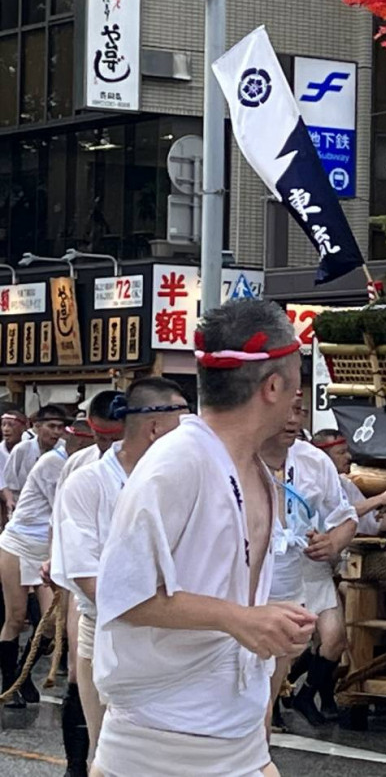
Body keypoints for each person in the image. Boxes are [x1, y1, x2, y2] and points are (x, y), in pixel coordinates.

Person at [91, 298, 317, 777]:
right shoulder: (177, 461)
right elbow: (120, 594)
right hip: (158, 741)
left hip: (236, 735)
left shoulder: (257, 468)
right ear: (274, 387)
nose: (301, 394)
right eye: (298, 379)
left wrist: (267, 625)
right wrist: (240, 619)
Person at [51, 378, 189, 775]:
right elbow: (88, 578)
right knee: (109, 754)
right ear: (154, 427)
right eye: (183, 419)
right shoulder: (86, 481)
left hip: (175, 633)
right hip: (110, 627)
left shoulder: (179, 480)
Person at [261, 395, 358, 730]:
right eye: (285, 409)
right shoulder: (232, 454)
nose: (292, 419)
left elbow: (346, 517)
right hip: (245, 580)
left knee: (319, 641)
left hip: (302, 570)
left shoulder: (314, 461)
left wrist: (333, 542)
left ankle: (293, 702)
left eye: (298, 411)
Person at [0, 414, 93, 708]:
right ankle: (10, 684)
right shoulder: (54, 462)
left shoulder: (87, 461)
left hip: (49, 548)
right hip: (20, 541)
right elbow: (66, 512)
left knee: (52, 626)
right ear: (74, 437)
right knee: (15, 617)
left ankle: (20, 673)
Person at [1, 404, 67, 517]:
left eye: (60, 427)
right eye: (51, 426)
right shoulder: (22, 449)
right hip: (25, 511)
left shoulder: (65, 449)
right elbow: (10, 485)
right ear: (38, 426)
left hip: (55, 511)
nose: (56, 432)